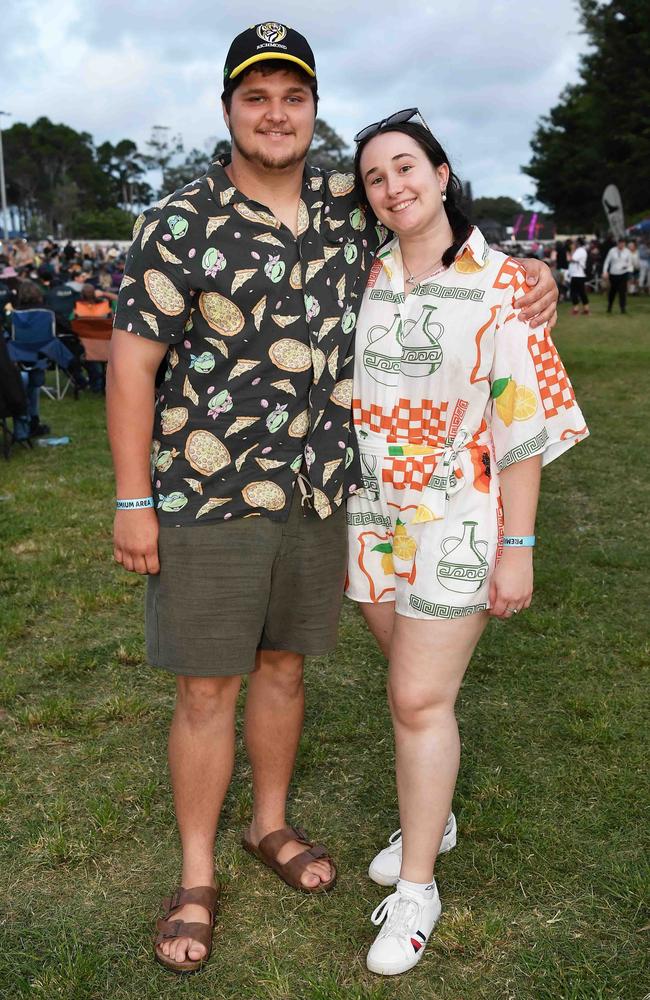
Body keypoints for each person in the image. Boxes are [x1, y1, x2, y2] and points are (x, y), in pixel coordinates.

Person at [107, 23, 560, 975]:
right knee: (204, 689)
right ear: (228, 109)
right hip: (207, 495)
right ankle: (196, 874)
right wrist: (131, 496)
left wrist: (535, 274)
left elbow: (444, 239)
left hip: (324, 496)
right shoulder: (179, 220)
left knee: (282, 673)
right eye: (256, 97)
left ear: (313, 108)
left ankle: (268, 827)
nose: (277, 115)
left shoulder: (345, 200)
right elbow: (131, 368)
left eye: (294, 97)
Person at [345, 113, 588, 976]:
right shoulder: (360, 274)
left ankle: (418, 888)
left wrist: (516, 545)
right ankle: (432, 811)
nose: (392, 186)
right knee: (407, 683)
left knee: (417, 697)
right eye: (374, 177)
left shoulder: (503, 286)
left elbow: (521, 428)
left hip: (461, 513)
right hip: (371, 513)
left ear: (442, 174)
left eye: (406, 167)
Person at [603, 237, 632, 313]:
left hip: (623, 274)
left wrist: (626, 266)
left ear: (624, 244)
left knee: (622, 292)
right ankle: (610, 306)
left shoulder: (627, 251)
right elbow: (607, 262)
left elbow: (629, 262)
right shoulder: (612, 251)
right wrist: (605, 271)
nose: (621, 245)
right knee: (612, 291)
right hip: (613, 274)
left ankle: (623, 308)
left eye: (623, 243)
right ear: (617, 243)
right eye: (620, 243)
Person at [567, 237, 589, 315]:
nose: (573, 244)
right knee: (581, 292)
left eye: (575, 242)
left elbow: (571, 258)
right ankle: (585, 309)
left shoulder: (580, 250)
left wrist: (572, 250)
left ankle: (577, 309)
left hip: (577, 274)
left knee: (575, 292)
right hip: (577, 274)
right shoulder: (581, 250)